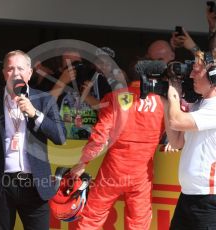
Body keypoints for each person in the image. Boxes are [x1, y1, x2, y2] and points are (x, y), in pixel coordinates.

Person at [0, 50, 66, 229]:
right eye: (10, 69)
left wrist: (35, 114)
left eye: (20, 68)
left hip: (35, 185)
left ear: (29, 73)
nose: (15, 73)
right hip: (1, 186)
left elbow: (61, 137)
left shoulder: (45, 100)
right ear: (3, 73)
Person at [70, 66, 165, 229]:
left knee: (92, 218)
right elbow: (178, 127)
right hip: (142, 173)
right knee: (139, 222)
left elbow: (100, 136)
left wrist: (82, 164)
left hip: (113, 170)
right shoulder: (163, 101)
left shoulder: (117, 97)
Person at [164, 50, 216, 229]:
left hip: (213, 201)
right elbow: (176, 141)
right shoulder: (199, 105)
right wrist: (167, 102)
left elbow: (176, 120)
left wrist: (174, 93)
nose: (190, 75)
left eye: (196, 70)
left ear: (214, 75)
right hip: (189, 195)